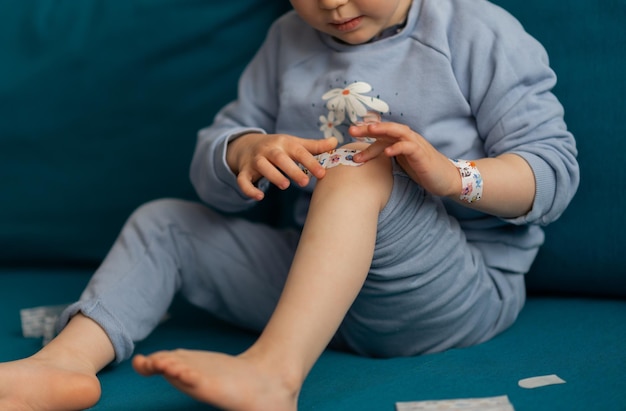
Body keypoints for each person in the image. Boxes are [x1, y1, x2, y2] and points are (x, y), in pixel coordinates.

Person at [0, 0, 579, 410]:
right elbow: (214, 167)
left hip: (454, 293)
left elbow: (553, 173)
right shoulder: (286, 40)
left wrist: (454, 177)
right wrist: (248, 150)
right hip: (316, 291)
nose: (331, 3)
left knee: (361, 165)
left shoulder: (476, 30)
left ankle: (274, 373)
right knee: (163, 222)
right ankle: (63, 366)